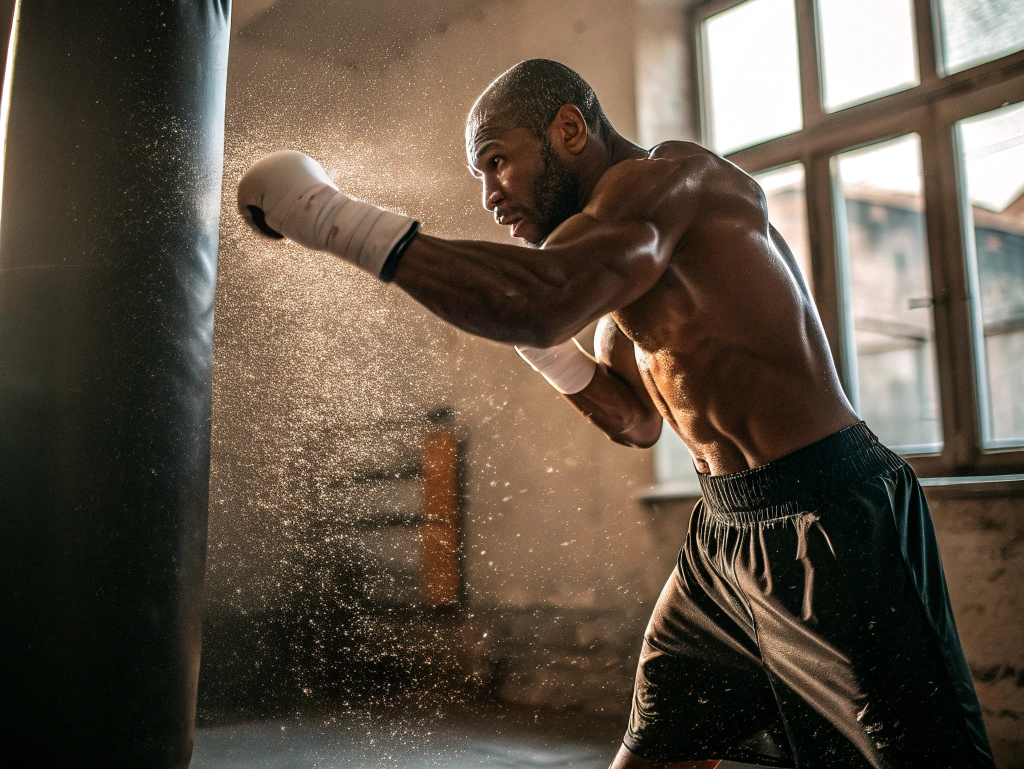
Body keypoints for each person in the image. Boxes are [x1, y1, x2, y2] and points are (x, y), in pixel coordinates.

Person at [237, 58, 995, 769]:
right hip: (723, 540)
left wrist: (331, 218)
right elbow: (635, 422)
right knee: (656, 749)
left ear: (569, 130)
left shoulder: (673, 184)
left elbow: (544, 295)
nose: (489, 194)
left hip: (833, 515)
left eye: (498, 160)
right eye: (481, 174)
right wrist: (550, 355)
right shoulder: (628, 284)